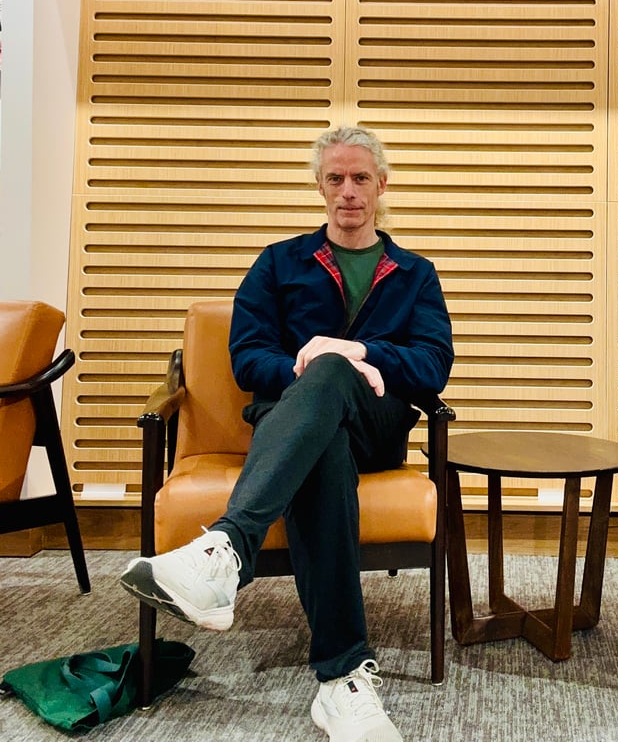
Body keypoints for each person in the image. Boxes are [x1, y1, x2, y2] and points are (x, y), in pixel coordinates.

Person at [120, 125, 455, 742]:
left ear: (382, 185)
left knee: (332, 367)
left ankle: (226, 549)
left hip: (376, 428)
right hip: (294, 431)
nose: (348, 191)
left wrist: (353, 352)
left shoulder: (414, 273)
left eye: (360, 178)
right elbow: (248, 358)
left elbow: (434, 365)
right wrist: (305, 366)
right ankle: (344, 679)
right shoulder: (279, 262)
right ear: (319, 186)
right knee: (319, 436)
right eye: (335, 178)